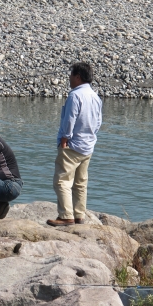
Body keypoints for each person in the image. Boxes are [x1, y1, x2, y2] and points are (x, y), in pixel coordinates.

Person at [47, 62, 102, 227]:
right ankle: (79, 214)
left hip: (72, 145)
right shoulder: (95, 96)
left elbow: (70, 118)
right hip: (88, 146)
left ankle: (65, 216)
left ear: (78, 77)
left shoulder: (75, 95)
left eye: (71, 75)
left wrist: (65, 138)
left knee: (62, 180)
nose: (69, 78)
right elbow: (98, 121)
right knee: (80, 182)